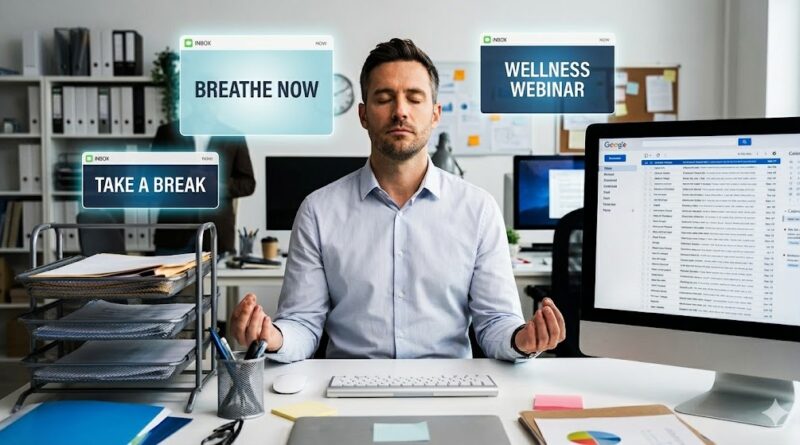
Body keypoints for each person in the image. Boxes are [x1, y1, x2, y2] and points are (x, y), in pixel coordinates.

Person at [231, 38, 565, 362]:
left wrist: (521, 340)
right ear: (363, 115)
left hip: (451, 386)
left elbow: (495, 323)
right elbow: (303, 323)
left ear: (435, 114)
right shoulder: (318, 211)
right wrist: (274, 338)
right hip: (348, 387)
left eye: (414, 98)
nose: (400, 111)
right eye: (384, 98)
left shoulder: (478, 209)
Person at [150, 120, 256, 255]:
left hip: (216, 236)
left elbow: (248, 183)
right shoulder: (167, 132)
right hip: (173, 234)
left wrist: (218, 187)